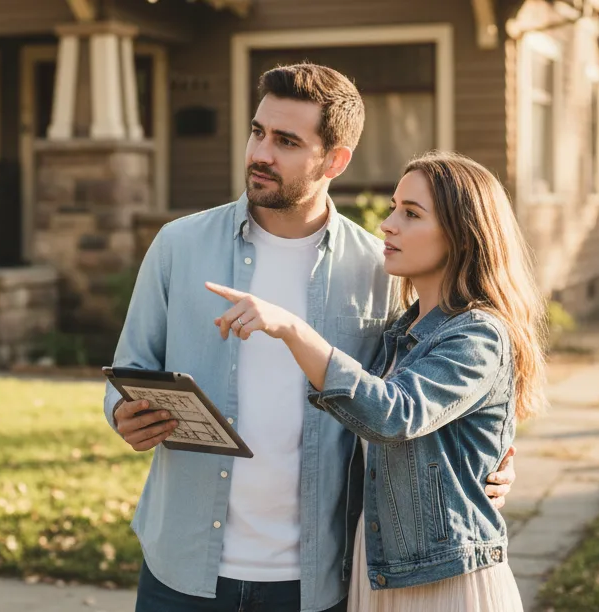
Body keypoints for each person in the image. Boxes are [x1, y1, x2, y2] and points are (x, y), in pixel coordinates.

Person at [103, 63, 517, 612]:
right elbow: (129, 370)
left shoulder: (382, 269)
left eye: (286, 141)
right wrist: (122, 413)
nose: (260, 154)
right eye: (257, 132)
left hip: (317, 579)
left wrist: (492, 458)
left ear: (335, 159)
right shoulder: (178, 245)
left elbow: (438, 376)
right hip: (181, 566)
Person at [205, 150, 543, 611]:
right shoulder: (398, 333)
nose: (387, 224)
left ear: (463, 235)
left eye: (411, 214)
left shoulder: (478, 333)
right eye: (393, 208)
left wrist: (291, 328)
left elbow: (394, 413)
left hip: (445, 581)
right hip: (378, 571)